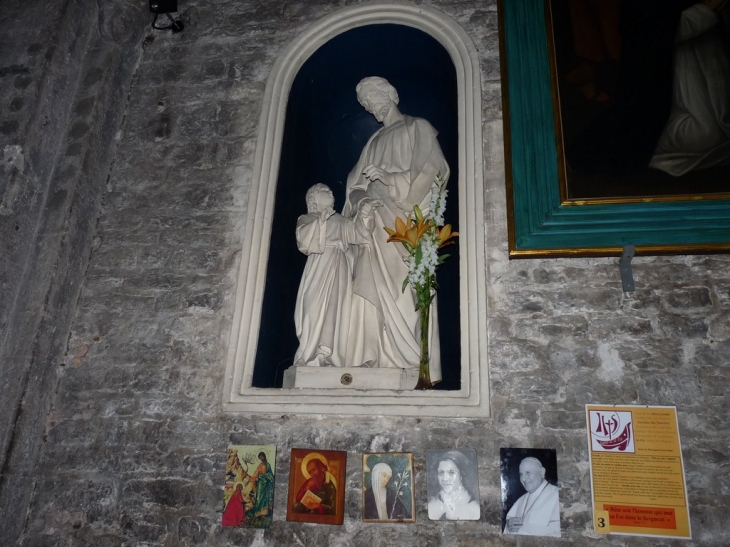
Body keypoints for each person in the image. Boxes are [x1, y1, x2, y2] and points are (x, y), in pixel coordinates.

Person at [343, 76, 450, 380]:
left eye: (373, 97)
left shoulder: (418, 128)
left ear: (391, 94)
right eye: (364, 103)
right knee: (367, 285)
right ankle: (371, 356)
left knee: (407, 294)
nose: (370, 106)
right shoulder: (373, 142)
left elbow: (435, 173)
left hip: (406, 226)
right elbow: (355, 185)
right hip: (374, 224)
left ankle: (410, 362)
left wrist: (390, 180)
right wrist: (362, 200)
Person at [293, 184, 377, 367]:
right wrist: (320, 222)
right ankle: (309, 353)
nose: (331, 193)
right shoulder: (307, 218)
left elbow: (359, 234)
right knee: (313, 308)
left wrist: (364, 214)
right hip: (319, 265)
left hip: (340, 266)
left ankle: (327, 355)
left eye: (331, 191)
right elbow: (304, 242)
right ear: (313, 199)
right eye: (325, 191)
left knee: (335, 307)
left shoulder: (340, 220)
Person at [650, 0, 730, 175]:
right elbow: (654, 29)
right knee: (705, 134)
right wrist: (706, 9)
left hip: (710, 50)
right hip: (680, 60)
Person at [504, 457, 561, 537]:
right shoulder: (521, 500)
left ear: (542, 472)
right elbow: (507, 532)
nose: (523, 479)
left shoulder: (557, 496)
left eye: (528, 472)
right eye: (521, 474)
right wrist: (508, 527)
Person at [427, 450, 480, 520]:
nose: (445, 479)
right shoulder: (432, 504)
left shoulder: (474, 508)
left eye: (451, 473)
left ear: (461, 474)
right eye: (441, 473)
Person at [249, 452, 275, 520]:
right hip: (261, 484)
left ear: (264, 456)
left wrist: (268, 477)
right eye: (260, 458)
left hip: (266, 484)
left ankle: (263, 513)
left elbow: (270, 474)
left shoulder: (268, 465)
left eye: (262, 457)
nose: (261, 459)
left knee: (265, 498)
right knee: (259, 498)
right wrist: (252, 478)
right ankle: (256, 514)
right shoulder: (259, 466)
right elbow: (256, 474)